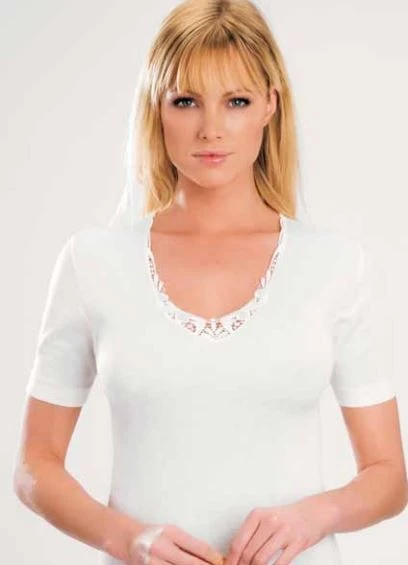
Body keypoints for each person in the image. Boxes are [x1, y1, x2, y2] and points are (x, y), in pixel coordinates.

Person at [14, 1, 407, 564]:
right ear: (157, 107)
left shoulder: (338, 267)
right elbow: (35, 466)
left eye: (236, 101)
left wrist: (313, 517)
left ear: (270, 104)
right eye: (186, 101)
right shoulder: (93, 263)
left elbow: (389, 476)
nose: (211, 129)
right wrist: (127, 539)